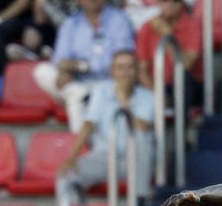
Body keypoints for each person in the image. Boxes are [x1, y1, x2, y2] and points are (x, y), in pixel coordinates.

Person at [33, 0, 134, 134]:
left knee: (74, 98)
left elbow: (121, 61)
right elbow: (60, 61)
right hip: (78, 83)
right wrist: (66, 70)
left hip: (108, 82)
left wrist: (80, 66)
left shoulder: (119, 20)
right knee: (41, 71)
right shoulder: (70, 24)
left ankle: (80, 151)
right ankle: (79, 94)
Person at [56, 48, 153, 194]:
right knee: (67, 175)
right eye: (120, 68)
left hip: (133, 159)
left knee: (142, 143)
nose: (125, 72)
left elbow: (144, 127)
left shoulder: (148, 96)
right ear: (112, 71)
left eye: (129, 67)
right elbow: (88, 124)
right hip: (104, 157)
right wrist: (72, 157)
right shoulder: (100, 92)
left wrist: (124, 102)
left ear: (136, 71)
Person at [135, 0, 200, 100]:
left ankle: (182, 119)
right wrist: (157, 95)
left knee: (183, 77)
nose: (170, 3)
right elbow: (142, 70)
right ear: (157, 0)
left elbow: (185, 65)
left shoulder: (192, 25)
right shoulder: (147, 27)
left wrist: (167, 33)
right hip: (155, 87)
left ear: (181, 1)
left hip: (187, 87)